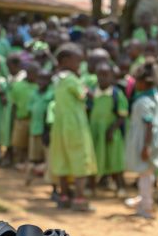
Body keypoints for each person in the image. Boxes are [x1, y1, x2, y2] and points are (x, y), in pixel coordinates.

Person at [48, 43, 97, 211]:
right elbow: (85, 95)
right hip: (75, 125)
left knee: (62, 159)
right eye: (77, 61)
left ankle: (64, 196)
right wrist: (85, 86)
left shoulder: (57, 79)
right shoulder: (72, 79)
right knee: (80, 158)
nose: (80, 66)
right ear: (66, 61)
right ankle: (79, 198)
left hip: (59, 125)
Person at [125, 62, 158, 218]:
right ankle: (143, 199)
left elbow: (148, 125)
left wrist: (146, 146)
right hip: (153, 139)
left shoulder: (144, 102)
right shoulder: (156, 96)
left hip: (145, 140)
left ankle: (146, 206)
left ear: (144, 82)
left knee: (145, 174)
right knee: (148, 172)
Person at [90, 62, 128, 196]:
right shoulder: (91, 93)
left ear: (112, 76)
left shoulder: (116, 94)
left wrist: (112, 129)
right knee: (94, 160)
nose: (102, 78)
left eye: (106, 75)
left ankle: (120, 187)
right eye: (100, 75)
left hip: (111, 133)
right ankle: (90, 187)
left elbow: (122, 115)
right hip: (95, 132)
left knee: (115, 160)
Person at [9, 62, 39, 167]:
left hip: (34, 120)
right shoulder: (17, 86)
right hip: (21, 119)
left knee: (31, 144)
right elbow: (13, 104)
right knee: (18, 143)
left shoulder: (38, 86)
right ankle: (18, 162)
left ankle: (28, 162)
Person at [27, 69, 54, 185]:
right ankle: (31, 175)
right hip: (35, 130)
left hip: (47, 131)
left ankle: (50, 181)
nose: (42, 82)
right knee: (34, 157)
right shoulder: (33, 94)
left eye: (45, 79)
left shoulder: (52, 95)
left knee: (49, 157)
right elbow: (30, 110)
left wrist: (48, 129)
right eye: (40, 79)